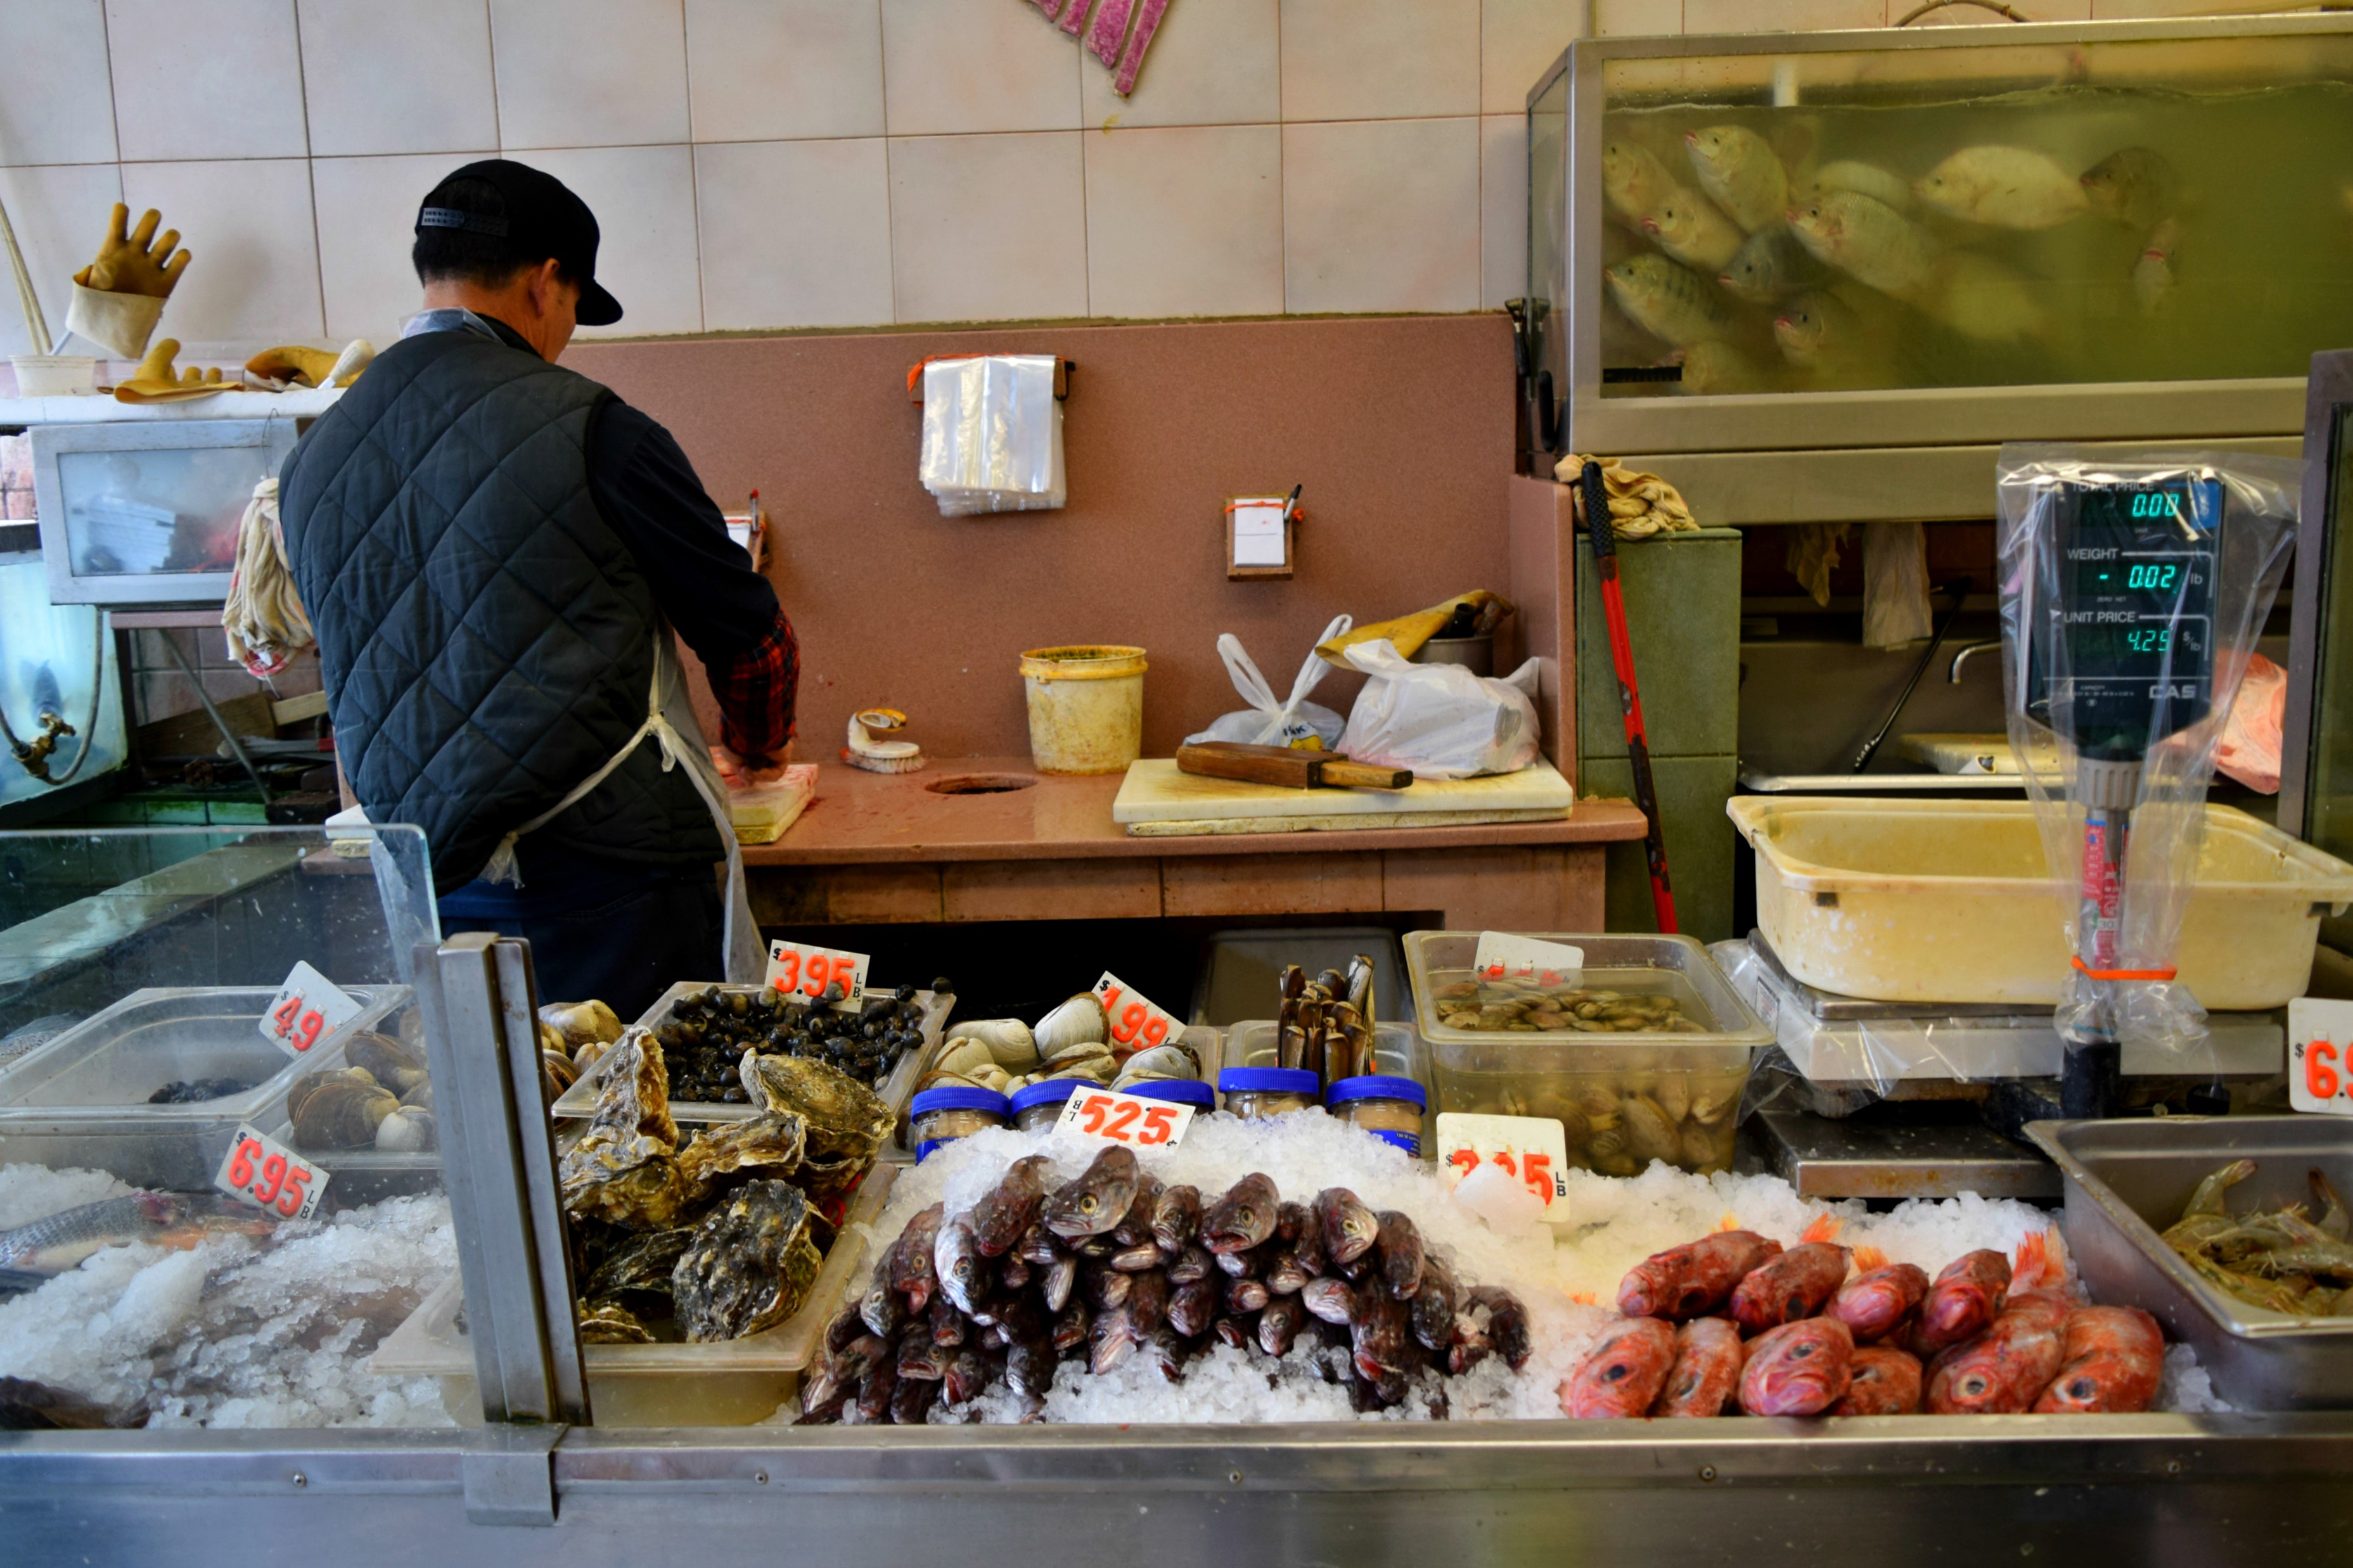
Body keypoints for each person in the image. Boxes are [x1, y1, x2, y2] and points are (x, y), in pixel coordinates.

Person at [279, 159, 795, 1018]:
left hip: (428, 886)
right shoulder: (599, 429)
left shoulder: (313, 458)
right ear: (547, 281)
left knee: (502, 1129)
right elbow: (750, 640)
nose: (565, 336)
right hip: (607, 879)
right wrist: (759, 748)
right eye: (572, 309)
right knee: (649, 1124)